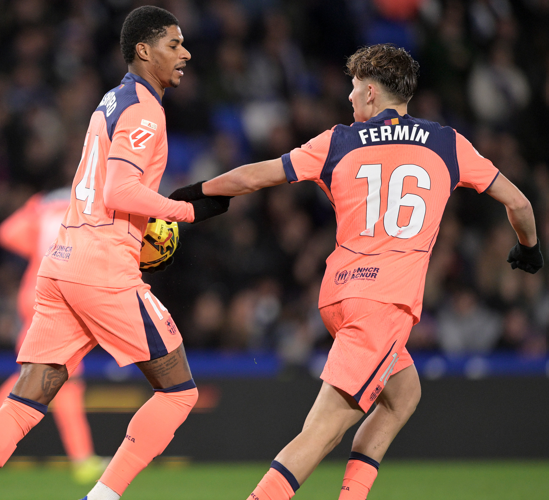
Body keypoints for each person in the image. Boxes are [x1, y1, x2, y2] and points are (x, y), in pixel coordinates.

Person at [170, 43, 543, 500]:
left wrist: (194, 193)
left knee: (404, 394)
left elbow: (254, 177)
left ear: (369, 93)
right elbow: (520, 203)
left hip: (339, 296)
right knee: (322, 432)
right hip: (383, 305)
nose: (349, 98)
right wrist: (529, 249)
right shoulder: (448, 143)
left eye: (352, 89)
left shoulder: (338, 141)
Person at [0, 6, 230, 500]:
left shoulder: (112, 100)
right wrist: (184, 213)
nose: (185, 53)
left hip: (60, 265)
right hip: (103, 267)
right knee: (180, 391)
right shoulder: (145, 109)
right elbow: (120, 190)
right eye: (174, 44)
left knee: (24, 399)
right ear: (144, 50)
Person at [0, 186, 107, 483]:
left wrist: (36, 237)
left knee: (57, 377)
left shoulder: (44, 207)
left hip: (36, 290)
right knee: (44, 374)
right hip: (64, 293)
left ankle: (81, 459)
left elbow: (6, 233)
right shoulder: (90, 207)